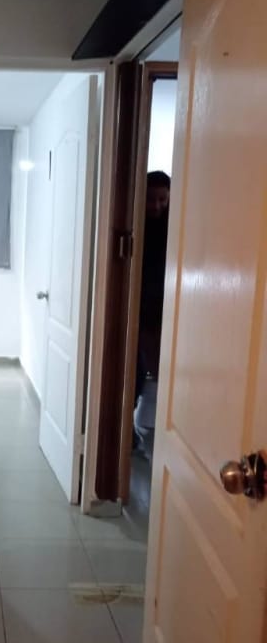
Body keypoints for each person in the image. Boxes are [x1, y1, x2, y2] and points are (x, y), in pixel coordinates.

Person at [134, 171, 170, 457]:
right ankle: (134, 435)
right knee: (135, 373)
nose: (156, 206)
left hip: (164, 311)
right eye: (151, 199)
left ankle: (150, 434)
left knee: (158, 374)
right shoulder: (133, 224)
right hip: (136, 310)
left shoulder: (175, 227)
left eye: (162, 199)